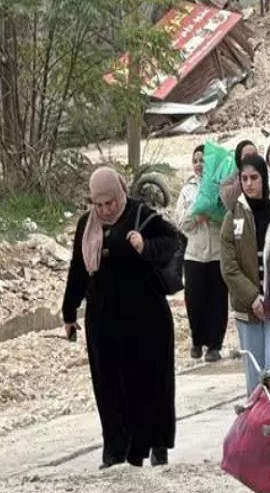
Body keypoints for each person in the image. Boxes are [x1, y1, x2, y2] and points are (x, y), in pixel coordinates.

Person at [62, 167, 178, 468]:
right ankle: (115, 450)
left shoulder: (141, 215)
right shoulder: (87, 225)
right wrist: (69, 312)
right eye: (98, 204)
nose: (104, 210)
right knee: (110, 386)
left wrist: (145, 246)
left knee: (149, 383)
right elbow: (78, 269)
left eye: (109, 203)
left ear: (120, 194)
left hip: (146, 320)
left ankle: (156, 445)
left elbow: (173, 244)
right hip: (104, 321)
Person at [220, 154, 270, 395]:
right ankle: (258, 418)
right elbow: (229, 267)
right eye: (244, 178)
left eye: (254, 178)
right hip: (248, 309)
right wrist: (253, 298)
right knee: (256, 376)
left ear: (264, 178)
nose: (249, 184)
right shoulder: (232, 218)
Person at [176, 145, 228, 363]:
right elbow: (180, 221)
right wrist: (197, 216)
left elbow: (227, 216)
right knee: (194, 300)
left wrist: (213, 212)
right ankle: (197, 341)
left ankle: (215, 345)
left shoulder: (221, 186)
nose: (198, 165)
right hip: (194, 254)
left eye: (203, 160)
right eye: (195, 161)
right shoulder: (187, 190)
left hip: (217, 254)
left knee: (217, 301)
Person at [220, 139, 259, 213]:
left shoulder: (266, 175)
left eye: (254, 155)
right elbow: (230, 203)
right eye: (247, 156)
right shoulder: (227, 184)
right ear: (239, 160)